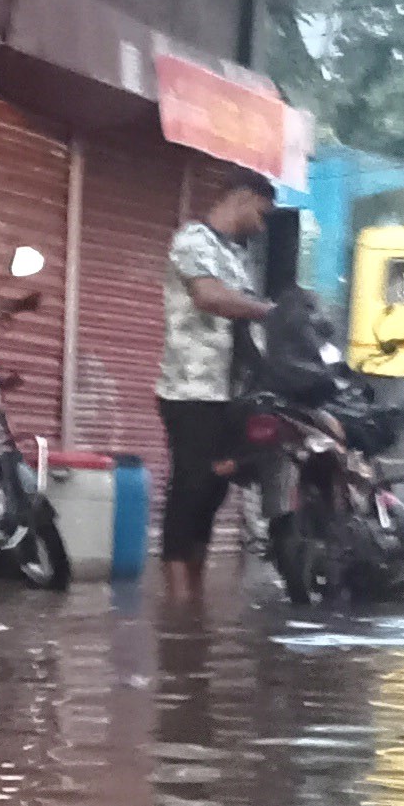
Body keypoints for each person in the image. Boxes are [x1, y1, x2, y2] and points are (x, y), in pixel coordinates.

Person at [155, 171, 275, 606]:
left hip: (229, 392)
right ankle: (177, 599)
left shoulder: (236, 256)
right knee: (189, 486)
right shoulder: (193, 241)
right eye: (262, 214)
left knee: (215, 488)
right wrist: (267, 311)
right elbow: (208, 297)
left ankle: (195, 589)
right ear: (242, 199)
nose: (262, 227)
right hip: (191, 388)